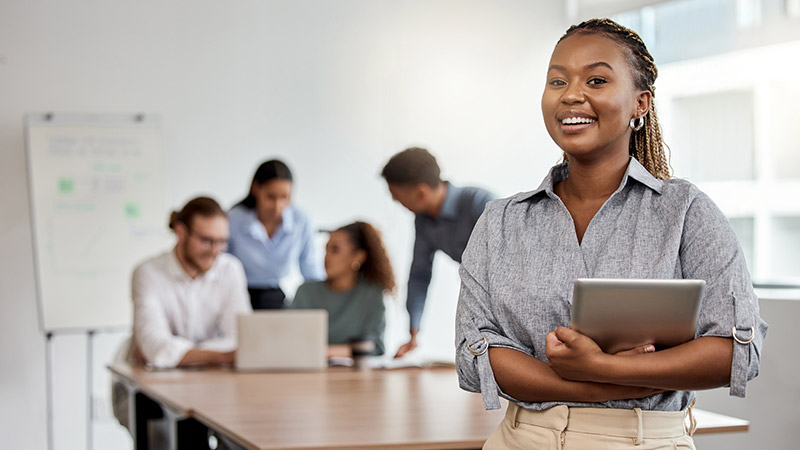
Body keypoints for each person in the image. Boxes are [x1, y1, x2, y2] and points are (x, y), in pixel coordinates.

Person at [455, 19, 767, 450]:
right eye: (557, 81)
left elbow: (735, 351)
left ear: (641, 103)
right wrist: (601, 384)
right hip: (521, 439)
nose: (571, 95)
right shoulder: (500, 221)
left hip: (646, 441)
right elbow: (478, 353)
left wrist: (603, 367)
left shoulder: (686, 212)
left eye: (596, 79)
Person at [113, 196, 251, 441]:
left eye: (222, 242)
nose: (215, 251)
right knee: (164, 437)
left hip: (206, 383)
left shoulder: (230, 270)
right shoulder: (147, 273)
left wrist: (177, 354)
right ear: (180, 231)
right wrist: (222, 356)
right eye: (207, 240)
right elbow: (156, 347)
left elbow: (242, 339)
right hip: (145, 388)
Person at [381, 147, 496, 358]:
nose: (395, 202)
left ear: (421, 193)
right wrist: (414, 329)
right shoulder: (423, 220)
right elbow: (419, 274)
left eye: (396, 195)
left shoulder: (480, 203)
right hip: (477, 300)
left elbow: (509, 263)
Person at [228, 159, 325, 309]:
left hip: (277, 297)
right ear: (255, 189)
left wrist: (324, 303)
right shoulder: (233, 219)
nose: (277, 206)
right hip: (238, 295)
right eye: (270, 197)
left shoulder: (301, 220)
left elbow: (311, 269)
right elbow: (221, 266)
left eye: (284, 197)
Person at [291, 221, 395, 358]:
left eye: (335, 250)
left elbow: (375, 346)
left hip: (355, 377)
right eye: (325, 249)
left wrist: (324, 352)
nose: (326, 257)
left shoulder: (372, 294)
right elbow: (289, 340)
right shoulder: (305, 292)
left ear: (358, 257)